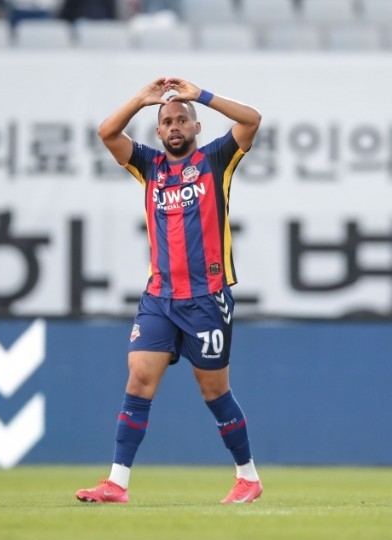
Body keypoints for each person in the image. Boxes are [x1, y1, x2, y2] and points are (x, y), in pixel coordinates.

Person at [75, 77, 263, 505]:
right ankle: (117, 483)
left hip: (206, 298)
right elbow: (107, 132)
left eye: (182, 120)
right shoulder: (149, 166)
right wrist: (141, 100)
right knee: (139, 379)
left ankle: (248, 477)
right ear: (158, 132)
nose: (174, 126)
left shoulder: (216, 159)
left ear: (196, 127)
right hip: (159, 297)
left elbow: (252, 120)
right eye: (166, 122)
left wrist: (202, 96)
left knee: (214, 391)